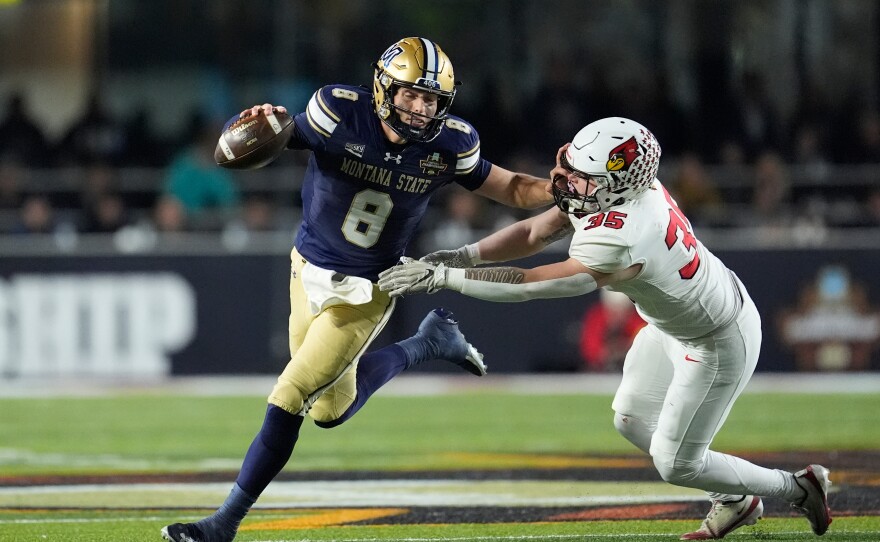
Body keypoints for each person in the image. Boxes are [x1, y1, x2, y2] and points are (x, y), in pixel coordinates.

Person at [161, 36, 552, 542]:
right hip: (307, 266)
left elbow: (511, 188)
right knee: (329, 411)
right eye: (411, 94)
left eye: (431, 99)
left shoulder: (450, 143)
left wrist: (558, 188)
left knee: (291, 393)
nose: (420, 108)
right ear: (385, 87)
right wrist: (258, 120)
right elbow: (276, 134)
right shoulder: (338, 111)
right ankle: (428, 344)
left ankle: (223, 524)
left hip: (369, 289)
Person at [379, 117, 833, 540]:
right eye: (575, 168)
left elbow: (530, 283)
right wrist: (459, 257)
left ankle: (797, 486)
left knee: (675, 463)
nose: (569, 181)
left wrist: (444, 278)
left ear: (617, 187)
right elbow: (535, 233)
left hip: (715, 338)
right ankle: (735, 497)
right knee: (631, 420)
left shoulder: (624, 231)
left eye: (584, 176)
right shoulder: (621, 191)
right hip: (672, 322)